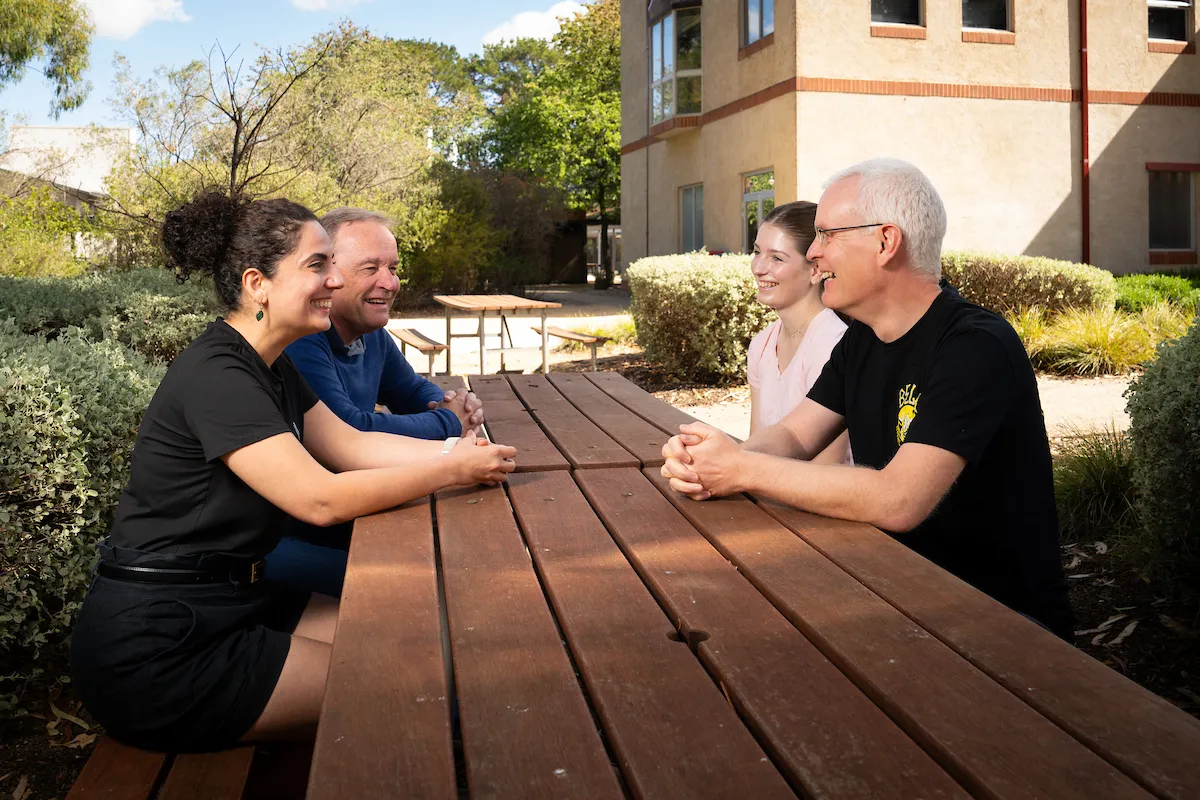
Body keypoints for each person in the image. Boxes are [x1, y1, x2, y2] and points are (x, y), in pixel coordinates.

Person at [70, 192, 516, 752]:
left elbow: (351, 446)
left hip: (237, 600)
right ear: (257, 283)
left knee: (424, 642)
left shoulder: (271, 365)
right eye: (317, 265)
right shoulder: (218, 373)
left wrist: (461, 453)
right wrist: (451, 470)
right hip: (161, 646)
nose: (335, 281)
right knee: (414, 683)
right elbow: (319, 499)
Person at [661, 158, 1074, 637]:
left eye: (827, 235)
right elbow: (796, 434)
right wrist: (713, 460)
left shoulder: (975, 345)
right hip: (895, 590)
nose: (813, 253)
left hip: (998, 621)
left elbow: (898, 499)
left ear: (885, 242)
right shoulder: (863, 338)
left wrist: (742, 469)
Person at [267, 208, 484, 597]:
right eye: (371, 268)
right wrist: (451, 426)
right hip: (286, 539)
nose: (390, 282)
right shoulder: (302, 340)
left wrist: (450, 405)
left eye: (393, 268)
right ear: (326, 274)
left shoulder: (370, 335)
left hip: (350, 513)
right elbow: (351, 434)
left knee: (458, 557)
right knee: (433, 582)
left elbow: (413, 392)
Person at [746, 200, 849, 463]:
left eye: (777, 258)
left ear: (816, 269)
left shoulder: (834, 347)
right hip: (769, 494)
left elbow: (827, 469)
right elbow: (754, 448)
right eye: (757, 252)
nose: (758, 268)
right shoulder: (762, 345)